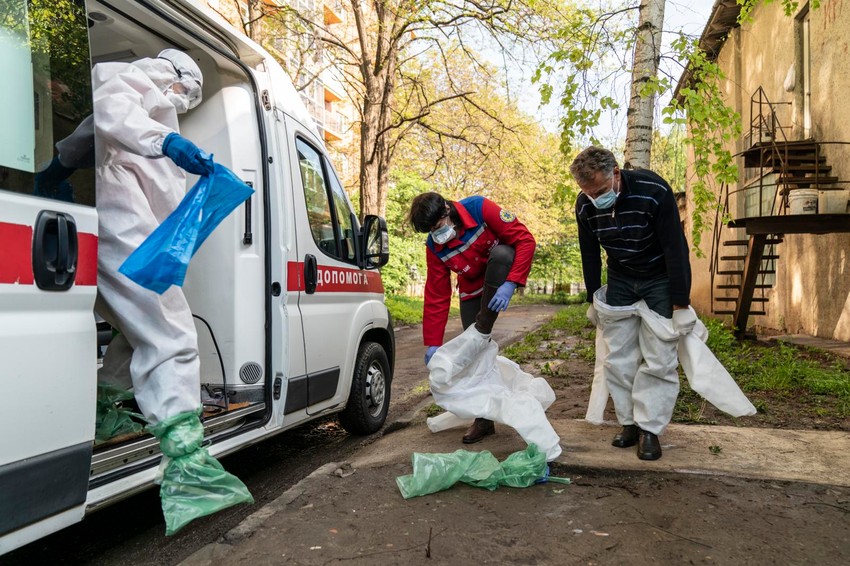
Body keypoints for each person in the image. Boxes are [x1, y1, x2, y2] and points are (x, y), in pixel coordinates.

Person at [91, 48, 252, 533]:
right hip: (118, 217)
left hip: (121, 223)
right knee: (171, 329)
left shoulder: (157, 115)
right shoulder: (130, 79)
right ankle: (187, 463)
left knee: (132, 331)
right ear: (173, 74)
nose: (186, 101)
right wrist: (167, 143)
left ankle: (111, 411)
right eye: (188, 91)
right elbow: (111, 108)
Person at [571, 146, 695, 461]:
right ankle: (628, 422)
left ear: (616, 173)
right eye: (587, 193)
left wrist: (681, 303)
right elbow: (589, 253)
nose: (594, 198)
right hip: (621, 277)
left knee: (659, 356)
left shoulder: (653, 190)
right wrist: (593, 297)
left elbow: (675, 247)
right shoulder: (586, 206)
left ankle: (650, 429)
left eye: (599, 191)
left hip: (659, 277)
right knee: (617, 356)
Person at [409, 192, 536, 444]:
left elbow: (524, 240)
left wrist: (511, 283)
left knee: (501, 253)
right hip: (471, 289)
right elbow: (436, 293)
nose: (437, 234)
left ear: (446, 210)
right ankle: (484, 418)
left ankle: (484, 324)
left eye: (437, 227)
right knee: (476, 352)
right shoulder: (435, 247)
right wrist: (433, 342)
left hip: (500, 277)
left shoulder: (479, 208)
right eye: (430, 232)